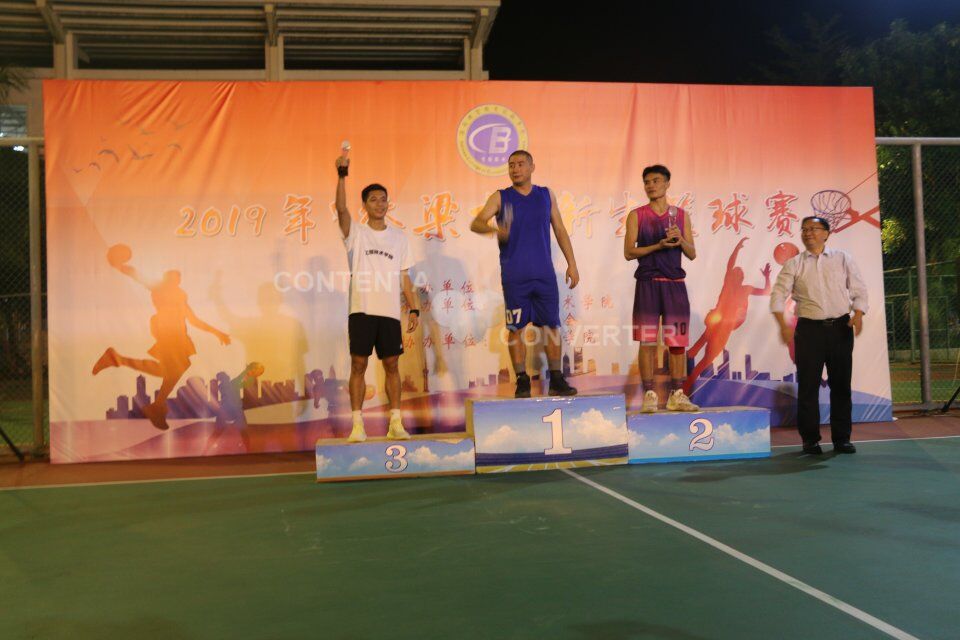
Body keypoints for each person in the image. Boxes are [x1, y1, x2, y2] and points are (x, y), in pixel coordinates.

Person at [470, 149, 579, 398]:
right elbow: (476, 222)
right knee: (516, 329)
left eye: (520, 164)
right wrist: (495, 231)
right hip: (515, 276)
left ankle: (556, 379)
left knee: (552, 326)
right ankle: (522, 380)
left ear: (532, 167)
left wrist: (572, 264)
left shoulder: (545, 195)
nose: (515, 169)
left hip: (544, 275)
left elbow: (560, 229)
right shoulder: (501, 197)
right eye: (511, 165)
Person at [92, 247, 230, 431]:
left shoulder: (180, 297)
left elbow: (194, 320)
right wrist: (120, 265)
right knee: (173, 370)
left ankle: (150, 397)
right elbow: (136, 274)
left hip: (179, 336)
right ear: (166, 279)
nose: (177, 280)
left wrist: (217, 332)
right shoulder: (159, 288)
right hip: (167, 333)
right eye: (173, 277)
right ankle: (154, 402)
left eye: (178, 278)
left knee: (172, 371)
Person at [335, 150, 419, 443]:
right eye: (373, 200)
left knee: (392, 366)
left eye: (383, 199)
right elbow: (341, 209)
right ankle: (357, 425)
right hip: (361, 309)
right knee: (358, 365)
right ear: (364, 205)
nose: (380, 204)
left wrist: (414, 309)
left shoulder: (399, 237)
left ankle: (395, 422)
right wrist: (342, 175)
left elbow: (405, 277)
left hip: (390, 313)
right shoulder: (355, 234)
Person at [770, 216, 868, 454]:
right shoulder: (794, 264)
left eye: (813, 229)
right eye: (804, 229)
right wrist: (782, 324)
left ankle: (842, 439)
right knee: (808, 387)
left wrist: (858, 313)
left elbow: (859, 289)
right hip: (809, 331)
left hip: (840, 329)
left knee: (841, 386)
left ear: (826, 233)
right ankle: (810, 440)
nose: (808, 233)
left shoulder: (842, 258)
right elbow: (778, 295)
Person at [624, 164, 698, 413]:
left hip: (674, 285)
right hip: (647, 284)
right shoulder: (637, 215)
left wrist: (681, 240)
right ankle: (649, 395)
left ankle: (677, 394)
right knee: (647, 342)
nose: (651, 185)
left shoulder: (681, 216)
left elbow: (692, 253)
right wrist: (658, 245)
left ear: (667, 183)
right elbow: (629, 252)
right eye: (647, 182)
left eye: (656, 181)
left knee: (677, 343)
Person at [683, 238, 771, 394]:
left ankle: (687, 370)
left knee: (705, 355)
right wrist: (737, 248)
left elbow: (766, 291)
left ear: (742, 278)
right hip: (718, 322)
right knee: (705, 355)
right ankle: (685, 379)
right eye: (736, 272)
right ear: (732, 276)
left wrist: (767, 277)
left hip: (723, 325)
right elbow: (730, 265)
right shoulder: (729, 284)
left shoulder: (745, 289)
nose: (738, 273)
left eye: (740, 273)